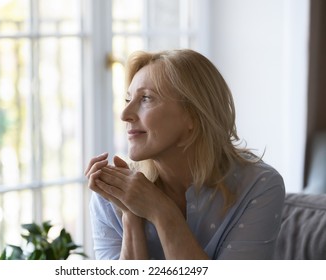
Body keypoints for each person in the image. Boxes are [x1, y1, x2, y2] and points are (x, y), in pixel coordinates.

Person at [85, 49, 285, 260]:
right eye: (127, 100)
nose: (125, 115)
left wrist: (161, 212)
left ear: (194, 115)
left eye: (146, 98)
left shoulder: (259, 186)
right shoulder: (110, 196)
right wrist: (130, 217)